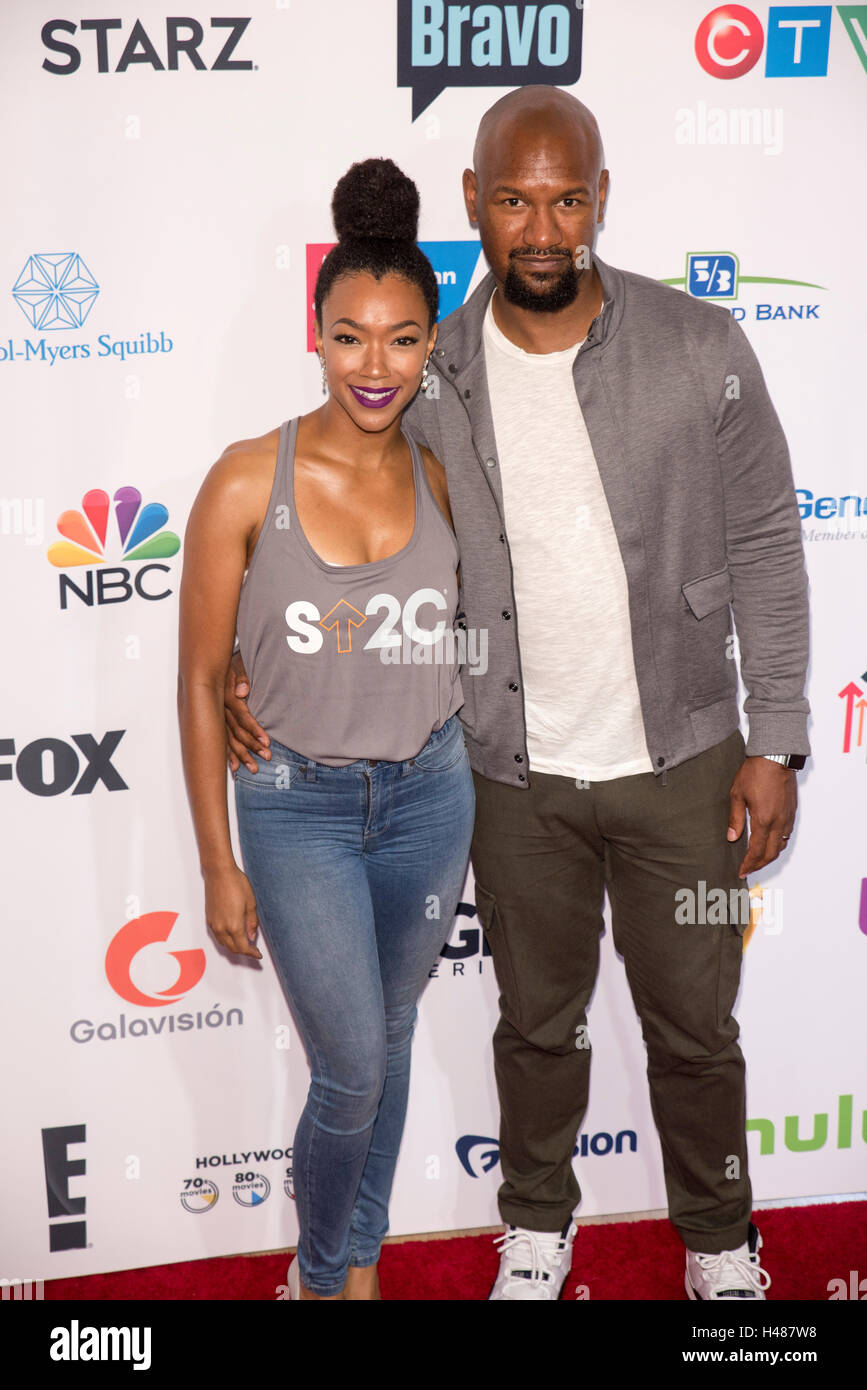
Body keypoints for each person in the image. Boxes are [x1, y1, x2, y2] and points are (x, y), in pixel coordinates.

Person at [225, 89, 809, 1302]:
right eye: (513, 200)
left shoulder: (700, 346)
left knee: (695, 1030)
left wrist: (780, 738)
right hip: (510, 773)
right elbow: (339, 518)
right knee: (537, 1025)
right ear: (473, 205)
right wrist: (249, 659)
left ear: (602, 198)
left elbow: (764, 536)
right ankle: (536, 1230)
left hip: (686, 763)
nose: (542, 229)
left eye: (566, 199)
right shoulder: (426, 370)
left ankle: (718, 1243)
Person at [178, 158, 475, 1301]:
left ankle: (361, 1265)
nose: (374, 365)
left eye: (401, 339)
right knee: (350, 1066)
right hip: (294, 806)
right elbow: (200, 678)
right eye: (349, 337)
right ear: (315, 337)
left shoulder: (442, 477)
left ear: (431, 343)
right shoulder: (245, 480)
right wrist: (218, 862)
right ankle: (316, 1276)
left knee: (387, 1042)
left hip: (430, 798)